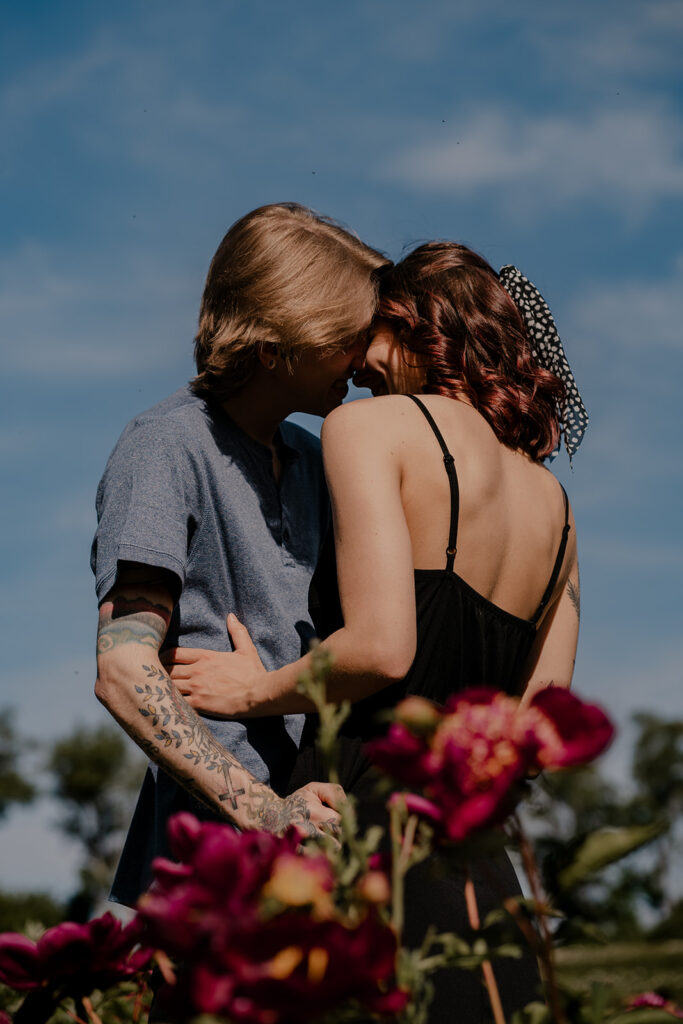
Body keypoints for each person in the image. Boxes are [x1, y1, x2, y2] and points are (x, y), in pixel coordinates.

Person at [164, 241, 588, 1021]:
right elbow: (534, 732)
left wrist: (255, 689)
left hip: (350, 833)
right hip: (482, 877)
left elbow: (382, 646)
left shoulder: (373, 430)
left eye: (372, 336)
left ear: (417, 328)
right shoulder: (555, 510)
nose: (357, 362)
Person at [91, 202, 388, 910]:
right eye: (347, 331)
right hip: (216, 870)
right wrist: (266, 814)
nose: (362, 352)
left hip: (322, 844)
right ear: (276, 343)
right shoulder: (166, 445)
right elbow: (124, 670)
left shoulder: (319, 462)